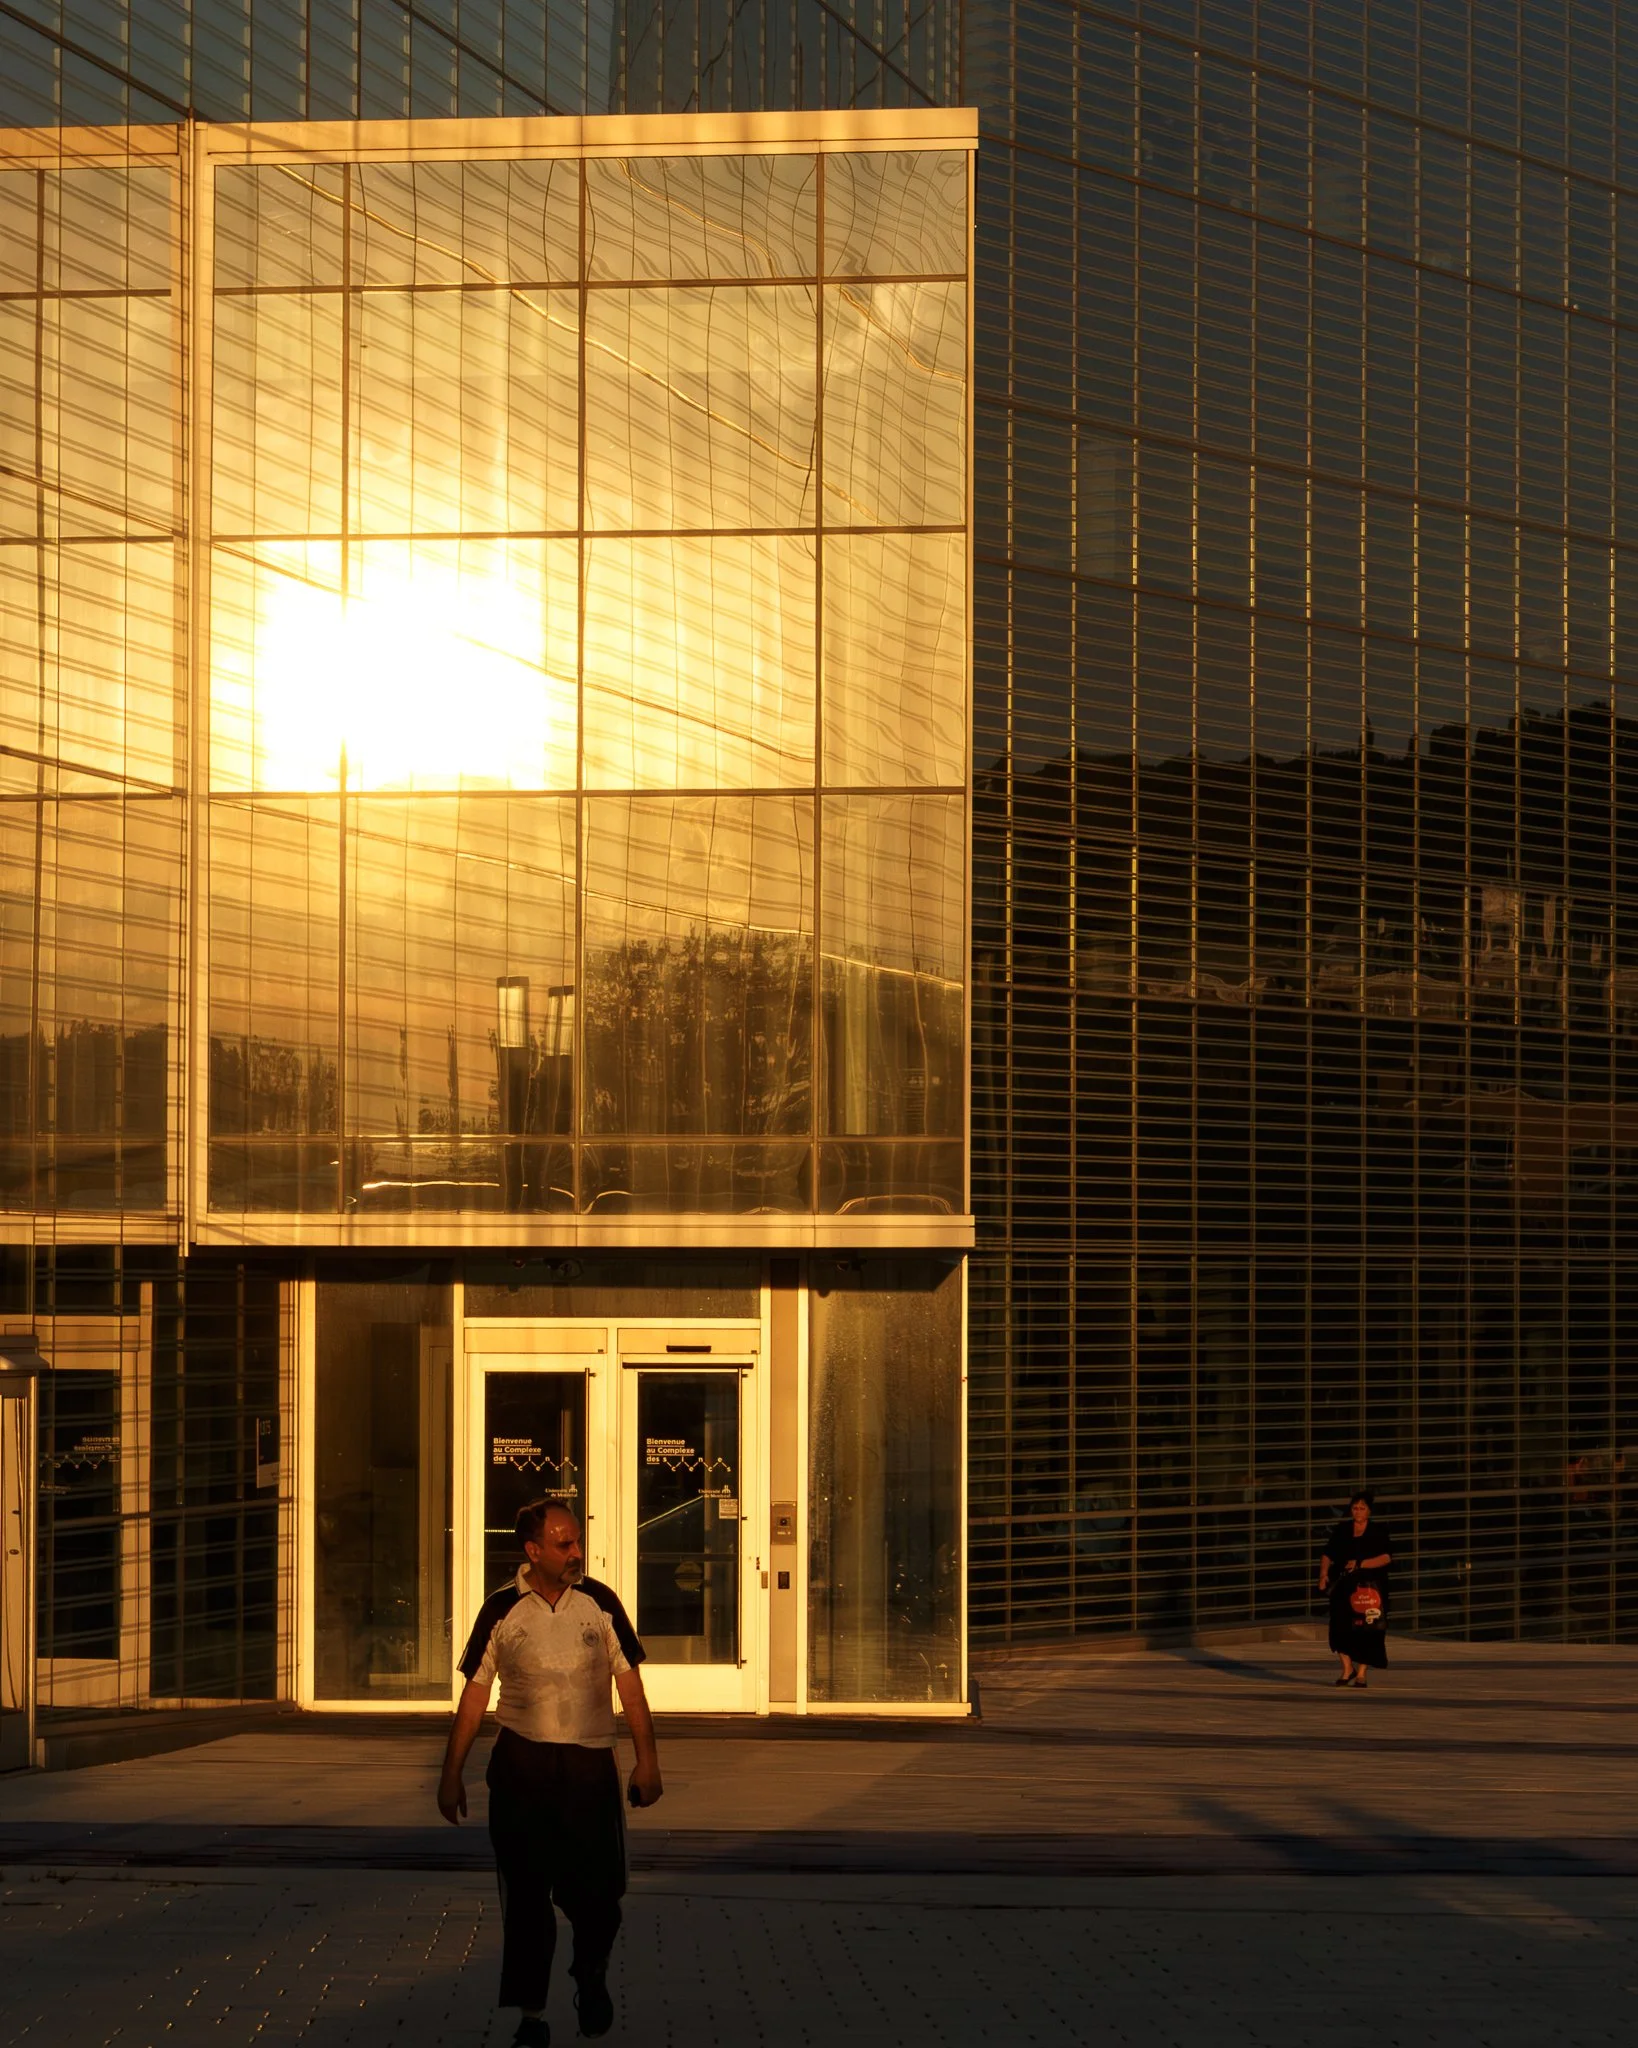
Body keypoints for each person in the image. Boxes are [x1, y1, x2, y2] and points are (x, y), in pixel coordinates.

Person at [438, 1499, 663, 2046]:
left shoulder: (599, 1603)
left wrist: (647, 1760)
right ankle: (532, 2018)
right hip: (523, 1768)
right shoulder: (500, 1610)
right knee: (527, 1899)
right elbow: (474, 1694)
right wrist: (451, 1773)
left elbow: (629, 1685)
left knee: (599, 1897)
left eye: (577, 1540)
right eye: (564, 1543)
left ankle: (591, 1972)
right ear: (532, 1551)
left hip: (589, 1767)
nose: (576, 1552)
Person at [1318, 1489, 1393, 1688]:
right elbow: (1327, 1554)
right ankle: (1347, 1668)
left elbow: (1386, 1558)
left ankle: (1361, 1673)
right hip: (1344, 1587)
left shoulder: (1378, 1531)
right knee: (1339, 1628)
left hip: (1370, 1589)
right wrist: (1323, 1574)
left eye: (1362, 1508)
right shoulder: (1342, 1530)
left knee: (1368, 1631)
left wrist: (1360, 1564)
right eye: (1355, 1508)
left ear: (1369, 1511)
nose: (1357, 1511)